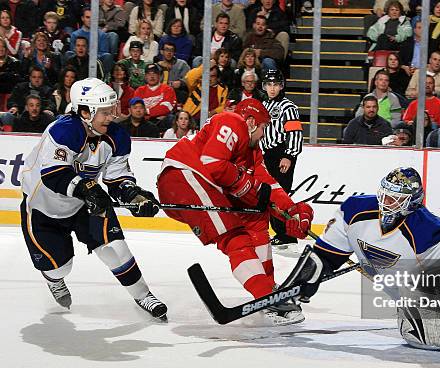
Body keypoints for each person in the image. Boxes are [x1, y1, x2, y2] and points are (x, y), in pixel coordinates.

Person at [283, 167, 440, 357]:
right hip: (412, 299)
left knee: (424, 316)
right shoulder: (355, 211)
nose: (386, 202)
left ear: (412, 202)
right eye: (385, 194)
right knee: (414, 329)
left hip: (437, 292)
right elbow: (325, 256)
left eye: (395, 198)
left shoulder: (424, 227)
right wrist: (297, 287)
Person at [156, 98, 314, 326]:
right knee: (235, 238)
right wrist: (249, 187)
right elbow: (213, 164)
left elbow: (267, 186)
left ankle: (268, 290)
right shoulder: (232, 121)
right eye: (262, 127)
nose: (263, 134)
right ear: (250, 121)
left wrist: (292, 211)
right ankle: (267, 297)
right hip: (184, 175)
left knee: (257, 218)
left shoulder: (252, 152)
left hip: (200, 184)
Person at [19, 78, 167, 319]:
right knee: (60, 268)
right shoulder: (64, 129)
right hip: (44, 209)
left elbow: (117, 177)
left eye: (113, 109)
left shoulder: (116, 137)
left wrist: (133, 194)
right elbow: (53, 175)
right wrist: (87, 189)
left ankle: (143, 295)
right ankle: (53, 279)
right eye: (105, 112)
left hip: (85, 203)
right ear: (85, 112)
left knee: (115, 248)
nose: (112, 116)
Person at [259, 70, 304, 248]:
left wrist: (289, 155)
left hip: (281, 154)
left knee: (281, 195)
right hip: (267, 155)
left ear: (281, 86)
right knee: (270, 196)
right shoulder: (263, 105)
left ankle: (286, 235)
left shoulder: (288, 106)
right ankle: (280, 233)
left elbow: (295, 133)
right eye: (269, 84)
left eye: (275, 84)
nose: (272, 88)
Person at [68, 8, 114, 76]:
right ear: (82, 18)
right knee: (68, 54)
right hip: (79, 60)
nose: (90, 20)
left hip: (96, 60)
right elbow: (73, 51)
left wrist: (88, 55)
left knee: (107, 56)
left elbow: (103, 53)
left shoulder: (102, 35)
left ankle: (105, 79)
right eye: (87, 17)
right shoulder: (75, 35)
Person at [133, 63, 177, 130]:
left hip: (161, 122)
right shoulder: (139, 90)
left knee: (171, 118)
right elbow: (136, 109)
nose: (152, 76)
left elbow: (167, 107)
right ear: (145, 77)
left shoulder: (167, 89)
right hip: (144, 121)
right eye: (149, 74)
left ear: (159, 76)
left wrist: (147, 112)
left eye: (154, 73)